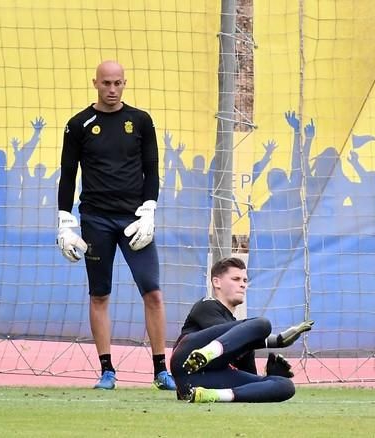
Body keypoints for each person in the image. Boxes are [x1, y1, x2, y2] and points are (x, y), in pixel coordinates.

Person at [56, 60, 175, 391]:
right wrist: (65, 221)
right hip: (95, 219)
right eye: (106, 83)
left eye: (118, 83)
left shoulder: (140, 121)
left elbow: (152, 170)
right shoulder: (78, 125)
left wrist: (149, 209)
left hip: (135, 220)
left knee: (152, 292)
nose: (112, 89)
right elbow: (68, 175)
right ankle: (107, 371)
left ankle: (160, 370)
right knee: (99, 295)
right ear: (95, 82)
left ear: (125, 83)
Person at [169, 257, 314, 402]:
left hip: (198, 381)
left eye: (245, 281)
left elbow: (246, 373)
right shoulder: (207, 304)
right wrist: (277, 341)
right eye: (236, 279)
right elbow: (230, 337)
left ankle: (212, 396)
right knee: (262, 324)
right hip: (185, 360)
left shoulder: (241, 334)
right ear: (216, 282)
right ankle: (207, 353)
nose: (243, 285)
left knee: (285, 385)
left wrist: (268, 377)